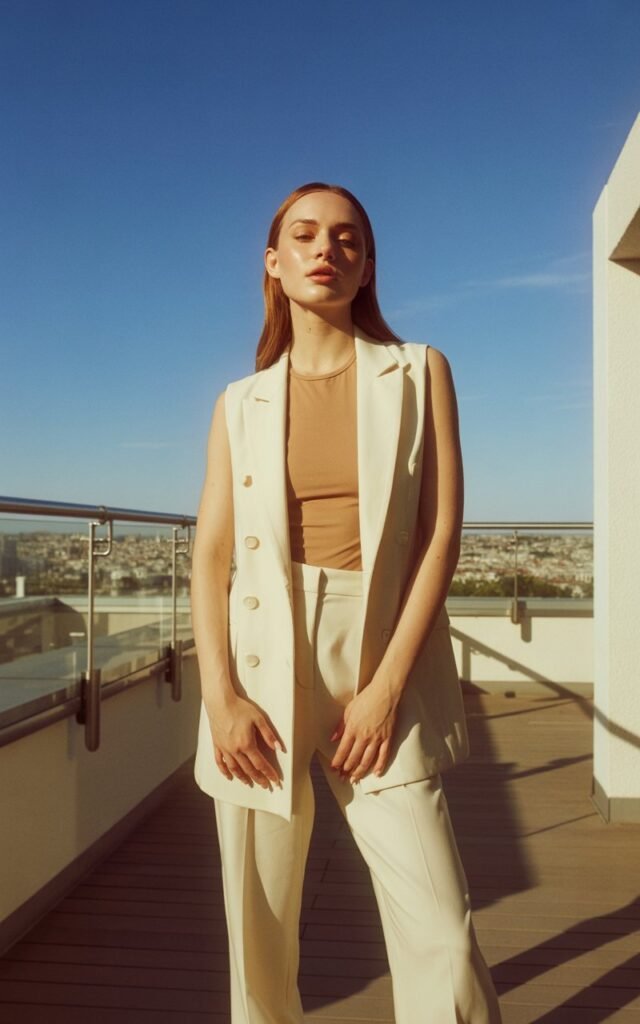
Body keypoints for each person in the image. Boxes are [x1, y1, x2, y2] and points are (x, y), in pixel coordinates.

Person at [190, 182, 502, 1024]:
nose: (326, 249)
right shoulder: (239, 401)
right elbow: (211, 556)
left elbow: (440, 537)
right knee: (258, 934)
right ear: (275, 263)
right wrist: (220, 699)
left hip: (382, 653)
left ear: (366, 269)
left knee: (441, 927)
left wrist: (387, 688)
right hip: (262, 660)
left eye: (347, 240)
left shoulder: (418, 371)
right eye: (305, 236)